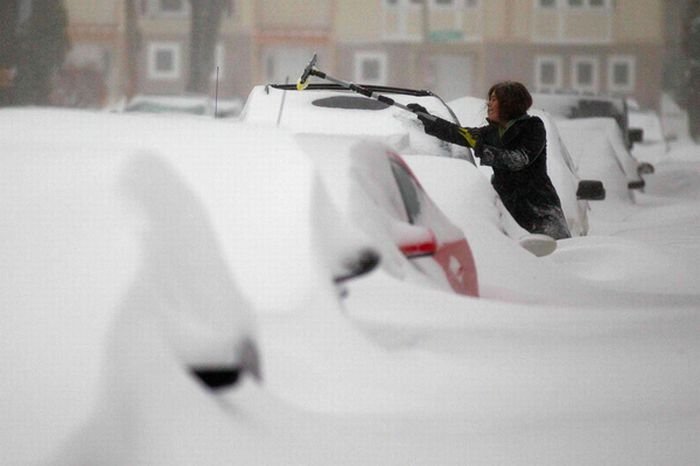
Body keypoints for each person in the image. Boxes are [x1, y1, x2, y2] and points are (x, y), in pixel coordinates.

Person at [408, 81, 571, 240]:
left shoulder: (532, 126)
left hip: (539, 211)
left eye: (494, 99)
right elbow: (459, 133)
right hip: (507, 212)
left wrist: (482, 149)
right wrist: (428, 119)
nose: (489, 104)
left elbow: (519, 159)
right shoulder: (491, 133)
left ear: (509, 103)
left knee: (552, 258)